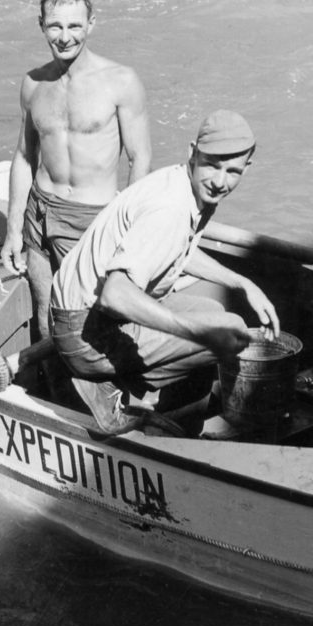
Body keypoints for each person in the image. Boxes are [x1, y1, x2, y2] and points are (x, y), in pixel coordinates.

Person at [48, 110, 279, 436]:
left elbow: (177, 248)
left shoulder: (179, 183)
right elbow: (115, 294)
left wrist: (241, 283)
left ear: (246, 169)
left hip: (81, 318)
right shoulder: (170, 208)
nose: (220, 181)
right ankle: (106, 384)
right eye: (212, 165)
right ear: (192, 153)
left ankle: (174, 424)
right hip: (86, 335)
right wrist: (197, 334)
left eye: (233, 171)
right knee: (230, 328)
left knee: (212, 311)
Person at [0, 0, 152, 345]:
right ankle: (54, 397)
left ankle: (102, 397)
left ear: (91, 24)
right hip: (40, 215)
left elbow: (140, 157)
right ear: (41, 26)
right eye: (55, 26)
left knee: (88, 325)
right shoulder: (33, 84)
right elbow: (24, 157)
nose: (64, 37)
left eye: (74, 26)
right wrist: (12, 228)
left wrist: (124, 229)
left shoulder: (121, 81)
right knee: (45, 316)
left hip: (91, 217)